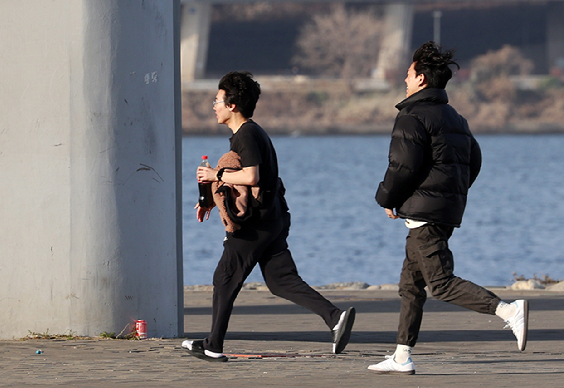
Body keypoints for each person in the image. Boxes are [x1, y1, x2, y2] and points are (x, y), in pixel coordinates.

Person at [368, 42, 528, 375]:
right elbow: (475, 160)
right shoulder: (455, 117)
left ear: (422, 79)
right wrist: (451, 191)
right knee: (411, 285)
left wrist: (387, 198)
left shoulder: (411, 115)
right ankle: (401, 356)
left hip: (424, 213)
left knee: (439, 283)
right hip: (440, 210)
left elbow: (403, 166)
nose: (405, 80)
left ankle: (508, 311)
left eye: (409, 75)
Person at [182, 71, 355, 362]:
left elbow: (251, 176)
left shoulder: (246, 134)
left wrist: (215, 174)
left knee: (224, 278)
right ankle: (335, 317)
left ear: (232, 105)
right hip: (273, 218)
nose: (214, 105)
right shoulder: (252, 132)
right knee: (280, 280)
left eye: (218, 100)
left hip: (256, 224)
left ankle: (213, 345)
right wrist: (213, 199)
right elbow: (246, 182)